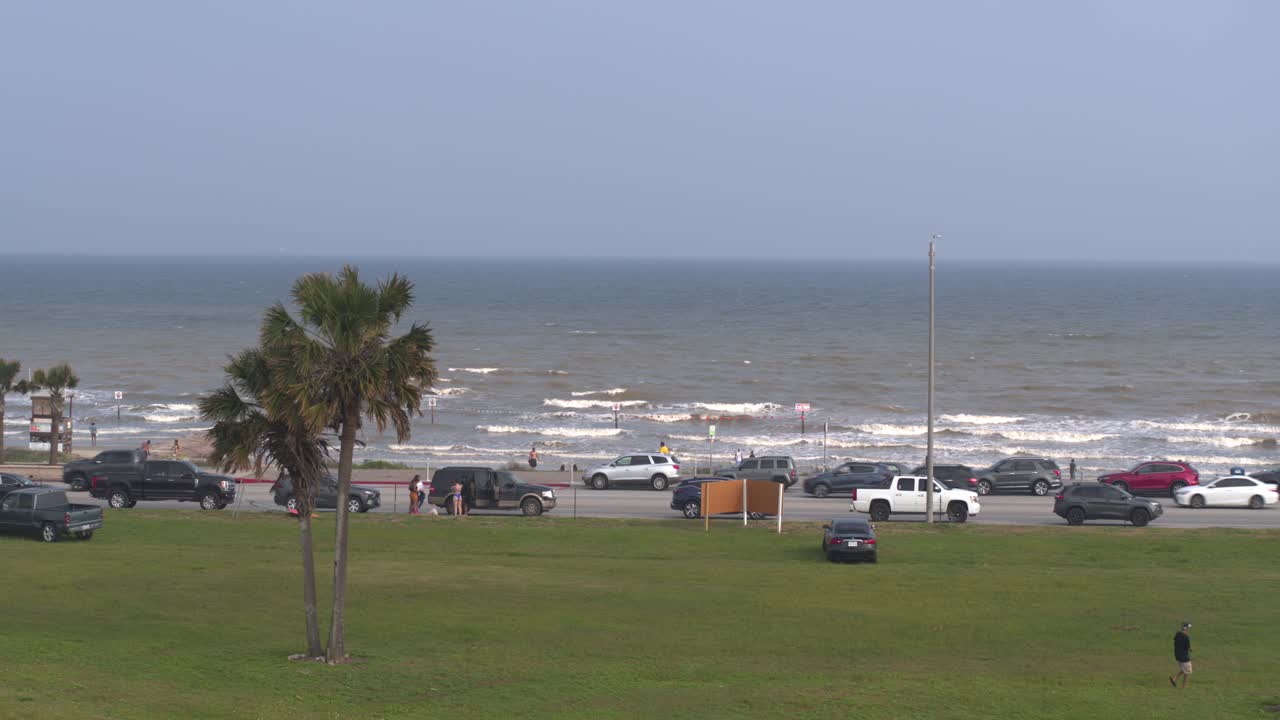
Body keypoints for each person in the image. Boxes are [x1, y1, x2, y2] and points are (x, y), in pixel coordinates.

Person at [1171, 622, 1192, 688]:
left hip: (1177, 655)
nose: (1189, 629)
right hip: (1184, 657)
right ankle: (1184, 686)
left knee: (1184, 669)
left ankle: (1174, 679)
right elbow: (1188, 648)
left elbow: (1175, 641)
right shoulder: (1186, 637)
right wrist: (1190, 650)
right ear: (1186, 628)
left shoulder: (1177, 634)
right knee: (1187, 671)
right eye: (1188, 627)